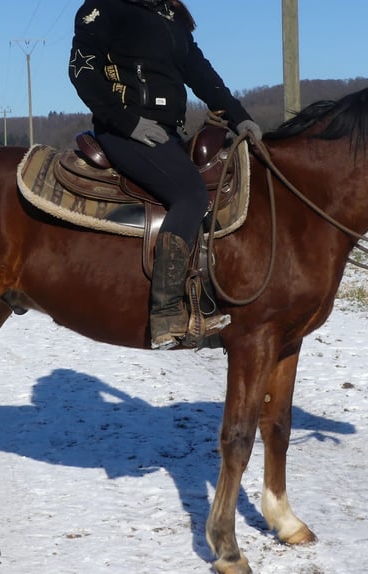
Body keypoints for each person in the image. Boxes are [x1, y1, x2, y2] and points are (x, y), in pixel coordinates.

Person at [69, 0, 262, 350]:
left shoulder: (171, 16)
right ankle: (166, 313)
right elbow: (83, 73)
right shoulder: (103, 8)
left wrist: (239, 116)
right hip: (124, 132)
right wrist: (127, 121)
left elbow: (202, 74)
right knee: (190, 195)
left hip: (166, 133)